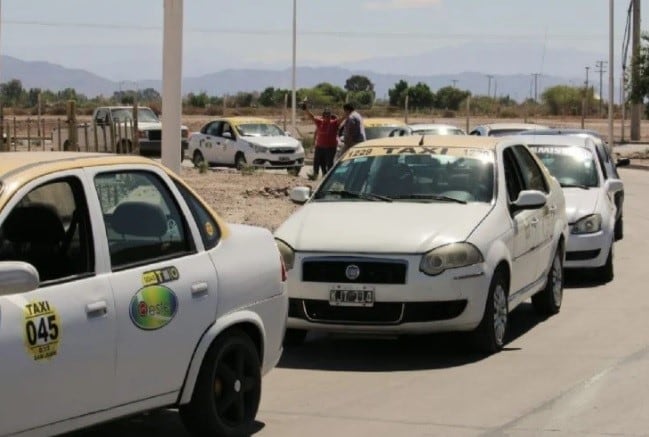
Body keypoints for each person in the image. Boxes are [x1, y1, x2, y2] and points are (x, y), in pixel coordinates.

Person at [302, 104, 341, 178]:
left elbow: (342, 119)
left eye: (328, 115)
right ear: (323, 116)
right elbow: (312, 117)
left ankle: (329, 177)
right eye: (325, 115)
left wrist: (348, 113)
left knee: (329, 163)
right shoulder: (320, 122)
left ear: (330, 116)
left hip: (331, 147)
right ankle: (315, 175)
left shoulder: (334, 123)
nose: (327, 117)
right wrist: (305, 110)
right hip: (320, 146)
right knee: (317, 161)